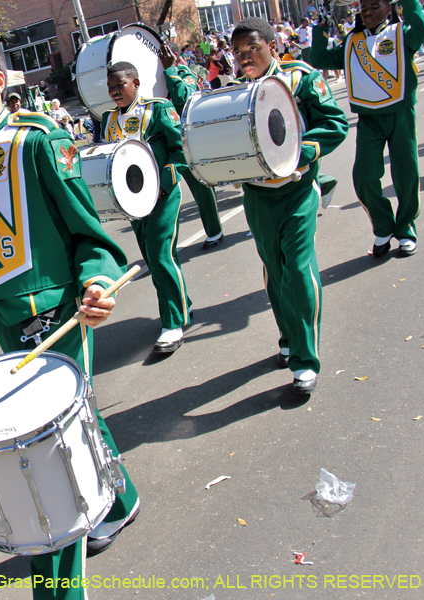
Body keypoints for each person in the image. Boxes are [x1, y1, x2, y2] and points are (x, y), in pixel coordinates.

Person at [0, 37, 140, 599]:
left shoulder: (38, 144)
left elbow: (87, 235)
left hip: (58, 313)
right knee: (74, 419)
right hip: (4, 322)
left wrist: (95, 281)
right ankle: (120, 498)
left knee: (48, 450)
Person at [230, 17, 348, 395]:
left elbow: (334, 123)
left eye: (253, 49)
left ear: (272, 46)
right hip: (258, 196)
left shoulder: (300, 78)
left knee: (297, 269)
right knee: (275, 270)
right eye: (238, 53)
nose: (245, 58)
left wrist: (301, 151)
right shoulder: (233, 93)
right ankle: (288, 335)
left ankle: (305, 359)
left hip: (297, 190)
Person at [311, 0, 424, 257]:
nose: (366, 11)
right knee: (364, 177)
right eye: (363, 7)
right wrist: (321, 21)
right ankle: (384, 227)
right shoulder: (353, 41)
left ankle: (406, 229)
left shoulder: (400, 33)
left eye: (374, 6)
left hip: (400, 114)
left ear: (390, 8)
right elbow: (319, 57)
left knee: (406, 175)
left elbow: (423, 28)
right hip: (369, 119)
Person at [102, 61, 193, 353]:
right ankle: (183, 305)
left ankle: (173, 323)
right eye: (111, 87)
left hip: (162, 195)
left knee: (159, 253)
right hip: (132, 201)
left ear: (136, 84)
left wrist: (164, 182)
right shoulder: (107, 118)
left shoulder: (158, 109)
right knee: (156, 260)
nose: (115, 91)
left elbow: (180, 146)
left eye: (121, 85)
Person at [160, 44, 226, 249]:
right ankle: (162, 245)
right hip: (164, 141)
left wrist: (170, 69)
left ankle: (215, 231)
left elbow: (184, 96)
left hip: (187, 140)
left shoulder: (185, 73)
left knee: (201, 186)